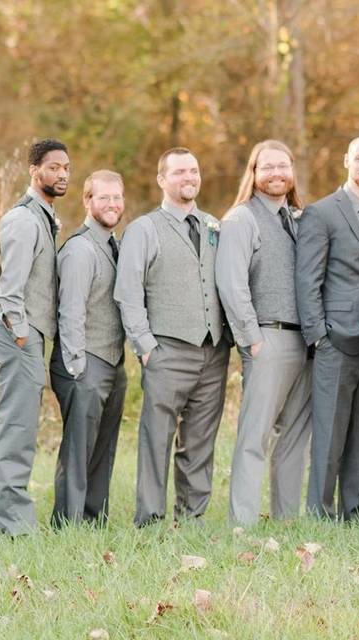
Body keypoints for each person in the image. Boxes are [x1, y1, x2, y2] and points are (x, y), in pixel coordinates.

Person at [114, 147, 231, 527]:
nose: (189, 178)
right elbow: (128, 292)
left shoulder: (214, 225)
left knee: (200, 441)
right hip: (166, 350)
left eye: (194, 171)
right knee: (156, 439)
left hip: (212, 352)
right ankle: (149, 518)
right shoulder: (144, 229)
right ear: (162, 179)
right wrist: (146, 347)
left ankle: (191, 517)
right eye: (179, 172)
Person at [294, 136, 359, 521]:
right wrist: (317, 335)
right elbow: (307, 279)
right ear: (346, 162)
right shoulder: (321, 213)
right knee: (329, 432)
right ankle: (320, 513)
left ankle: (352, 510)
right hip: (334, 339)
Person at [217, 140, 312, 525]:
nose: (276, 174)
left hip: (304, 341)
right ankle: (243, 522)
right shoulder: (241, 219)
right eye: (267, 166)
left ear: (292, 171)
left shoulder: (299, 219)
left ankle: (287, 519)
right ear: (253, 173)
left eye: (283, 166)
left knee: (294, 438)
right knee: (255, 437)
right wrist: (251, 339)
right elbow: (231, 282)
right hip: (267, 338)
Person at [0, 138, 69, 535]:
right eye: (53, 167)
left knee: (11, 425)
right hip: (18, 331)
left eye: (66, 167)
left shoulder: (44, 217)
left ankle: (2, 519)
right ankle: (17, 525)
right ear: (34, 171)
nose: (62, 174)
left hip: (28, 331)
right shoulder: (22, 220)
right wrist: (21, 337)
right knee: (18, 428)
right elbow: (9, 291)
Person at [49, 170, 127, 527]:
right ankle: (66, 524)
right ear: (87, 201)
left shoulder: (115, 244)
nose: (112, 204)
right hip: (85, 363)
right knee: (78, 450)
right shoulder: (81, 249)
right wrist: (78, 368)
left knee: (102, 449)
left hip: (112, 362)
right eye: (103, 197)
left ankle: (93, 520)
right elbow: (71, 313)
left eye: (117, 197)